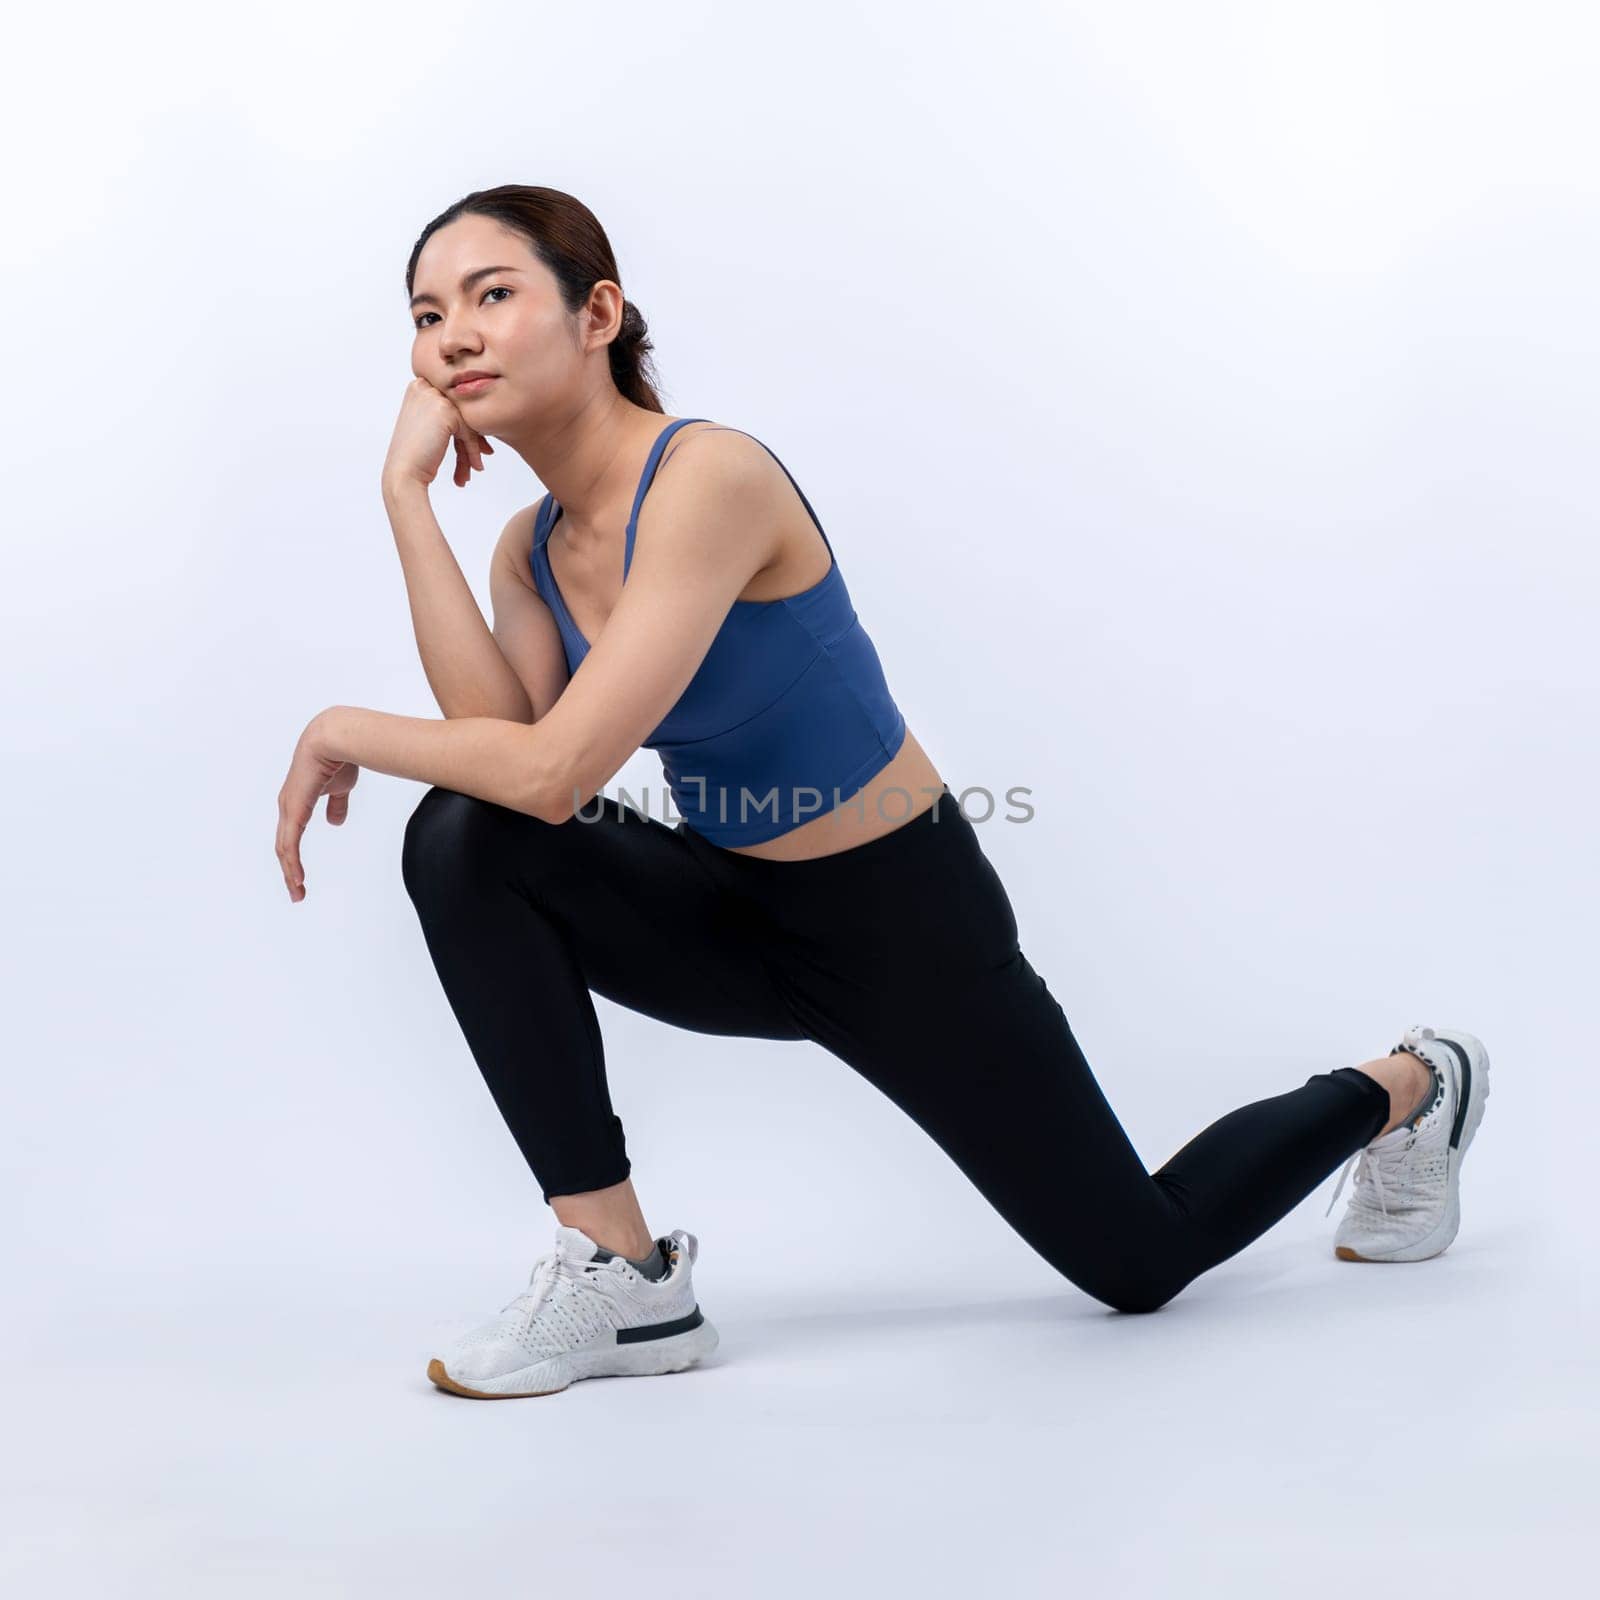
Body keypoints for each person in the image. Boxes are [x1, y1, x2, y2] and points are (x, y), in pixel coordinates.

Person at [274, 185, 1492, 1401]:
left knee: (1137, 1259)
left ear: (599, 313)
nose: (456, 336)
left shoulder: (710, 478)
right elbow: (503, 769)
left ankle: (1409, 1082)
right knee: (461, 839)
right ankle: (622, 1273)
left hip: (904, 924)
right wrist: (406, 498)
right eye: (430, 316)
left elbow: (556, 773)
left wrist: (342, 726)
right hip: (727, 910)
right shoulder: (527, 549)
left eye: (494, 295)